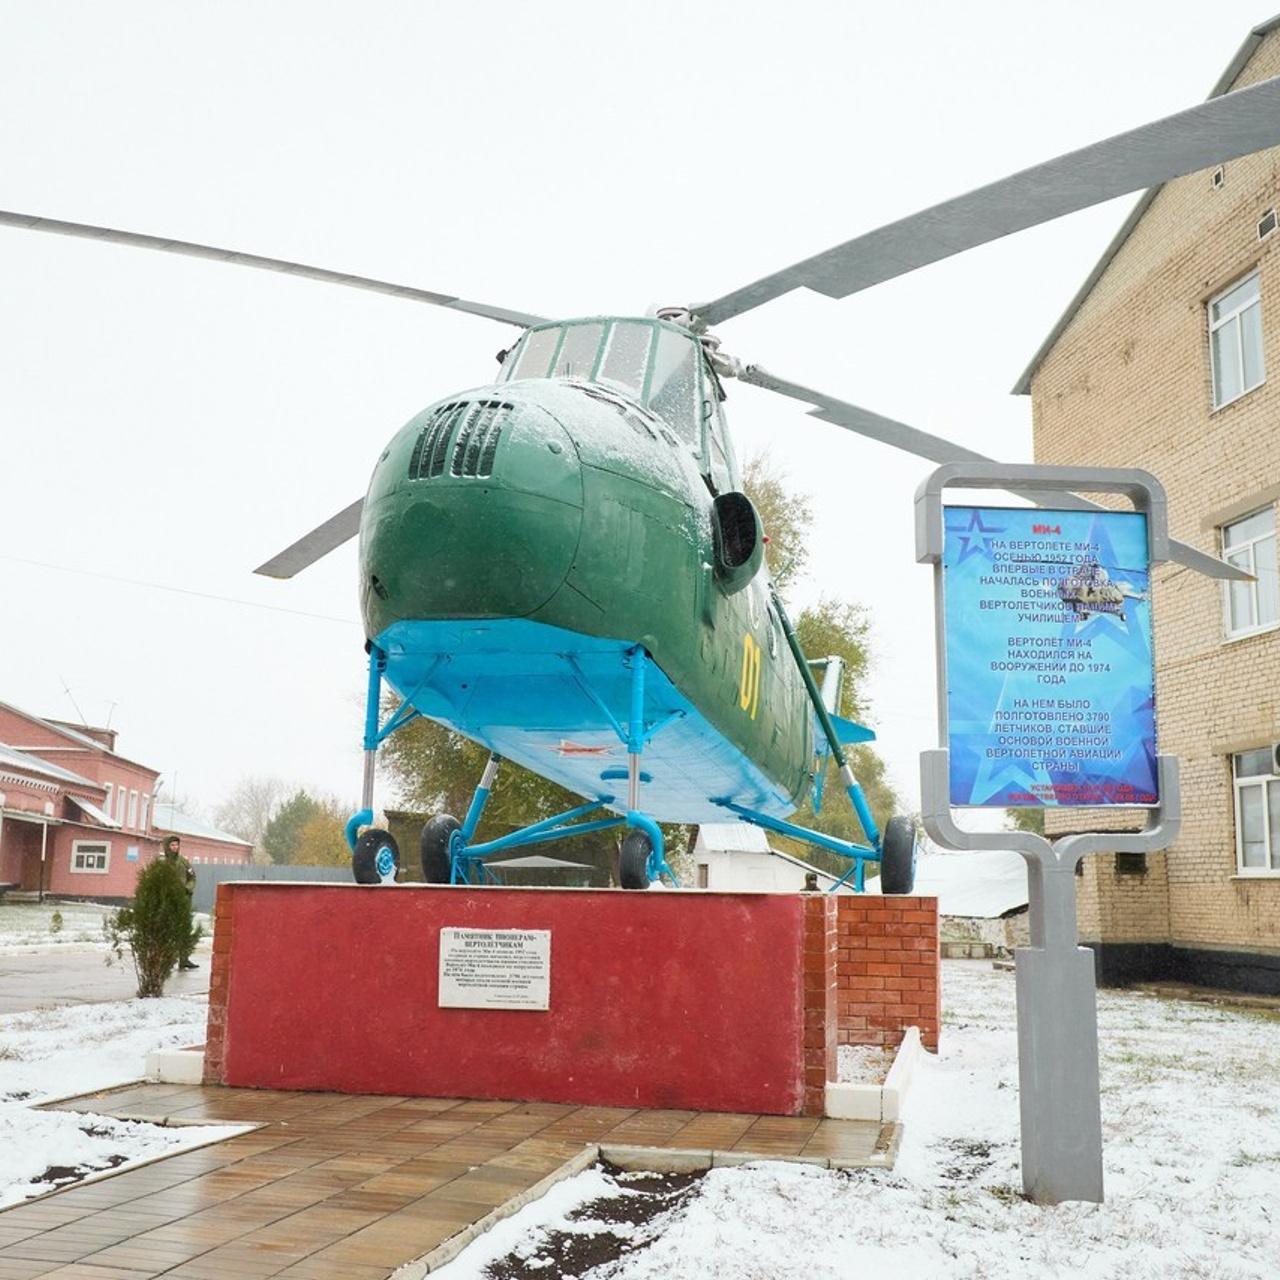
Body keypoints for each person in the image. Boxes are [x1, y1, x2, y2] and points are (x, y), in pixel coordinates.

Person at [162, 834, 199, 970]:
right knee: (168, 930)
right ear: (167, 846)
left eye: (176, 845)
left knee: (183, 929)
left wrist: (187, 888)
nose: (175, 847)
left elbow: (192, 877)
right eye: (172, 845)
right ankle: (166, 959)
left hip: (183, 900)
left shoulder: (183, 862)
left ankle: (184, 959)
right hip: (168, 901)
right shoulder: (162, 863)